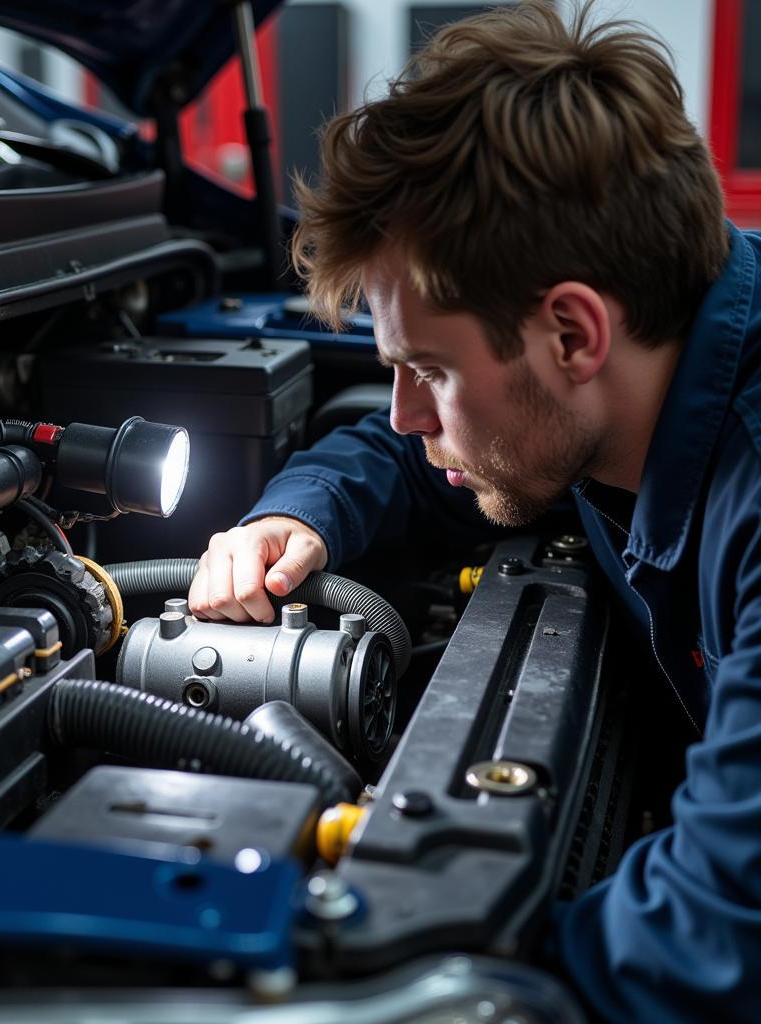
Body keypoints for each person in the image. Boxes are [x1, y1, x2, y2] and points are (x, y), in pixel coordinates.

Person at [188, 2, 761, 1020]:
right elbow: (405, 459)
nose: (404, 414)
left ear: (573, 332)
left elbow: (715, 933)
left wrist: (423, 972)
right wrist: (297, 516)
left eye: (426, 369)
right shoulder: (624, 373)